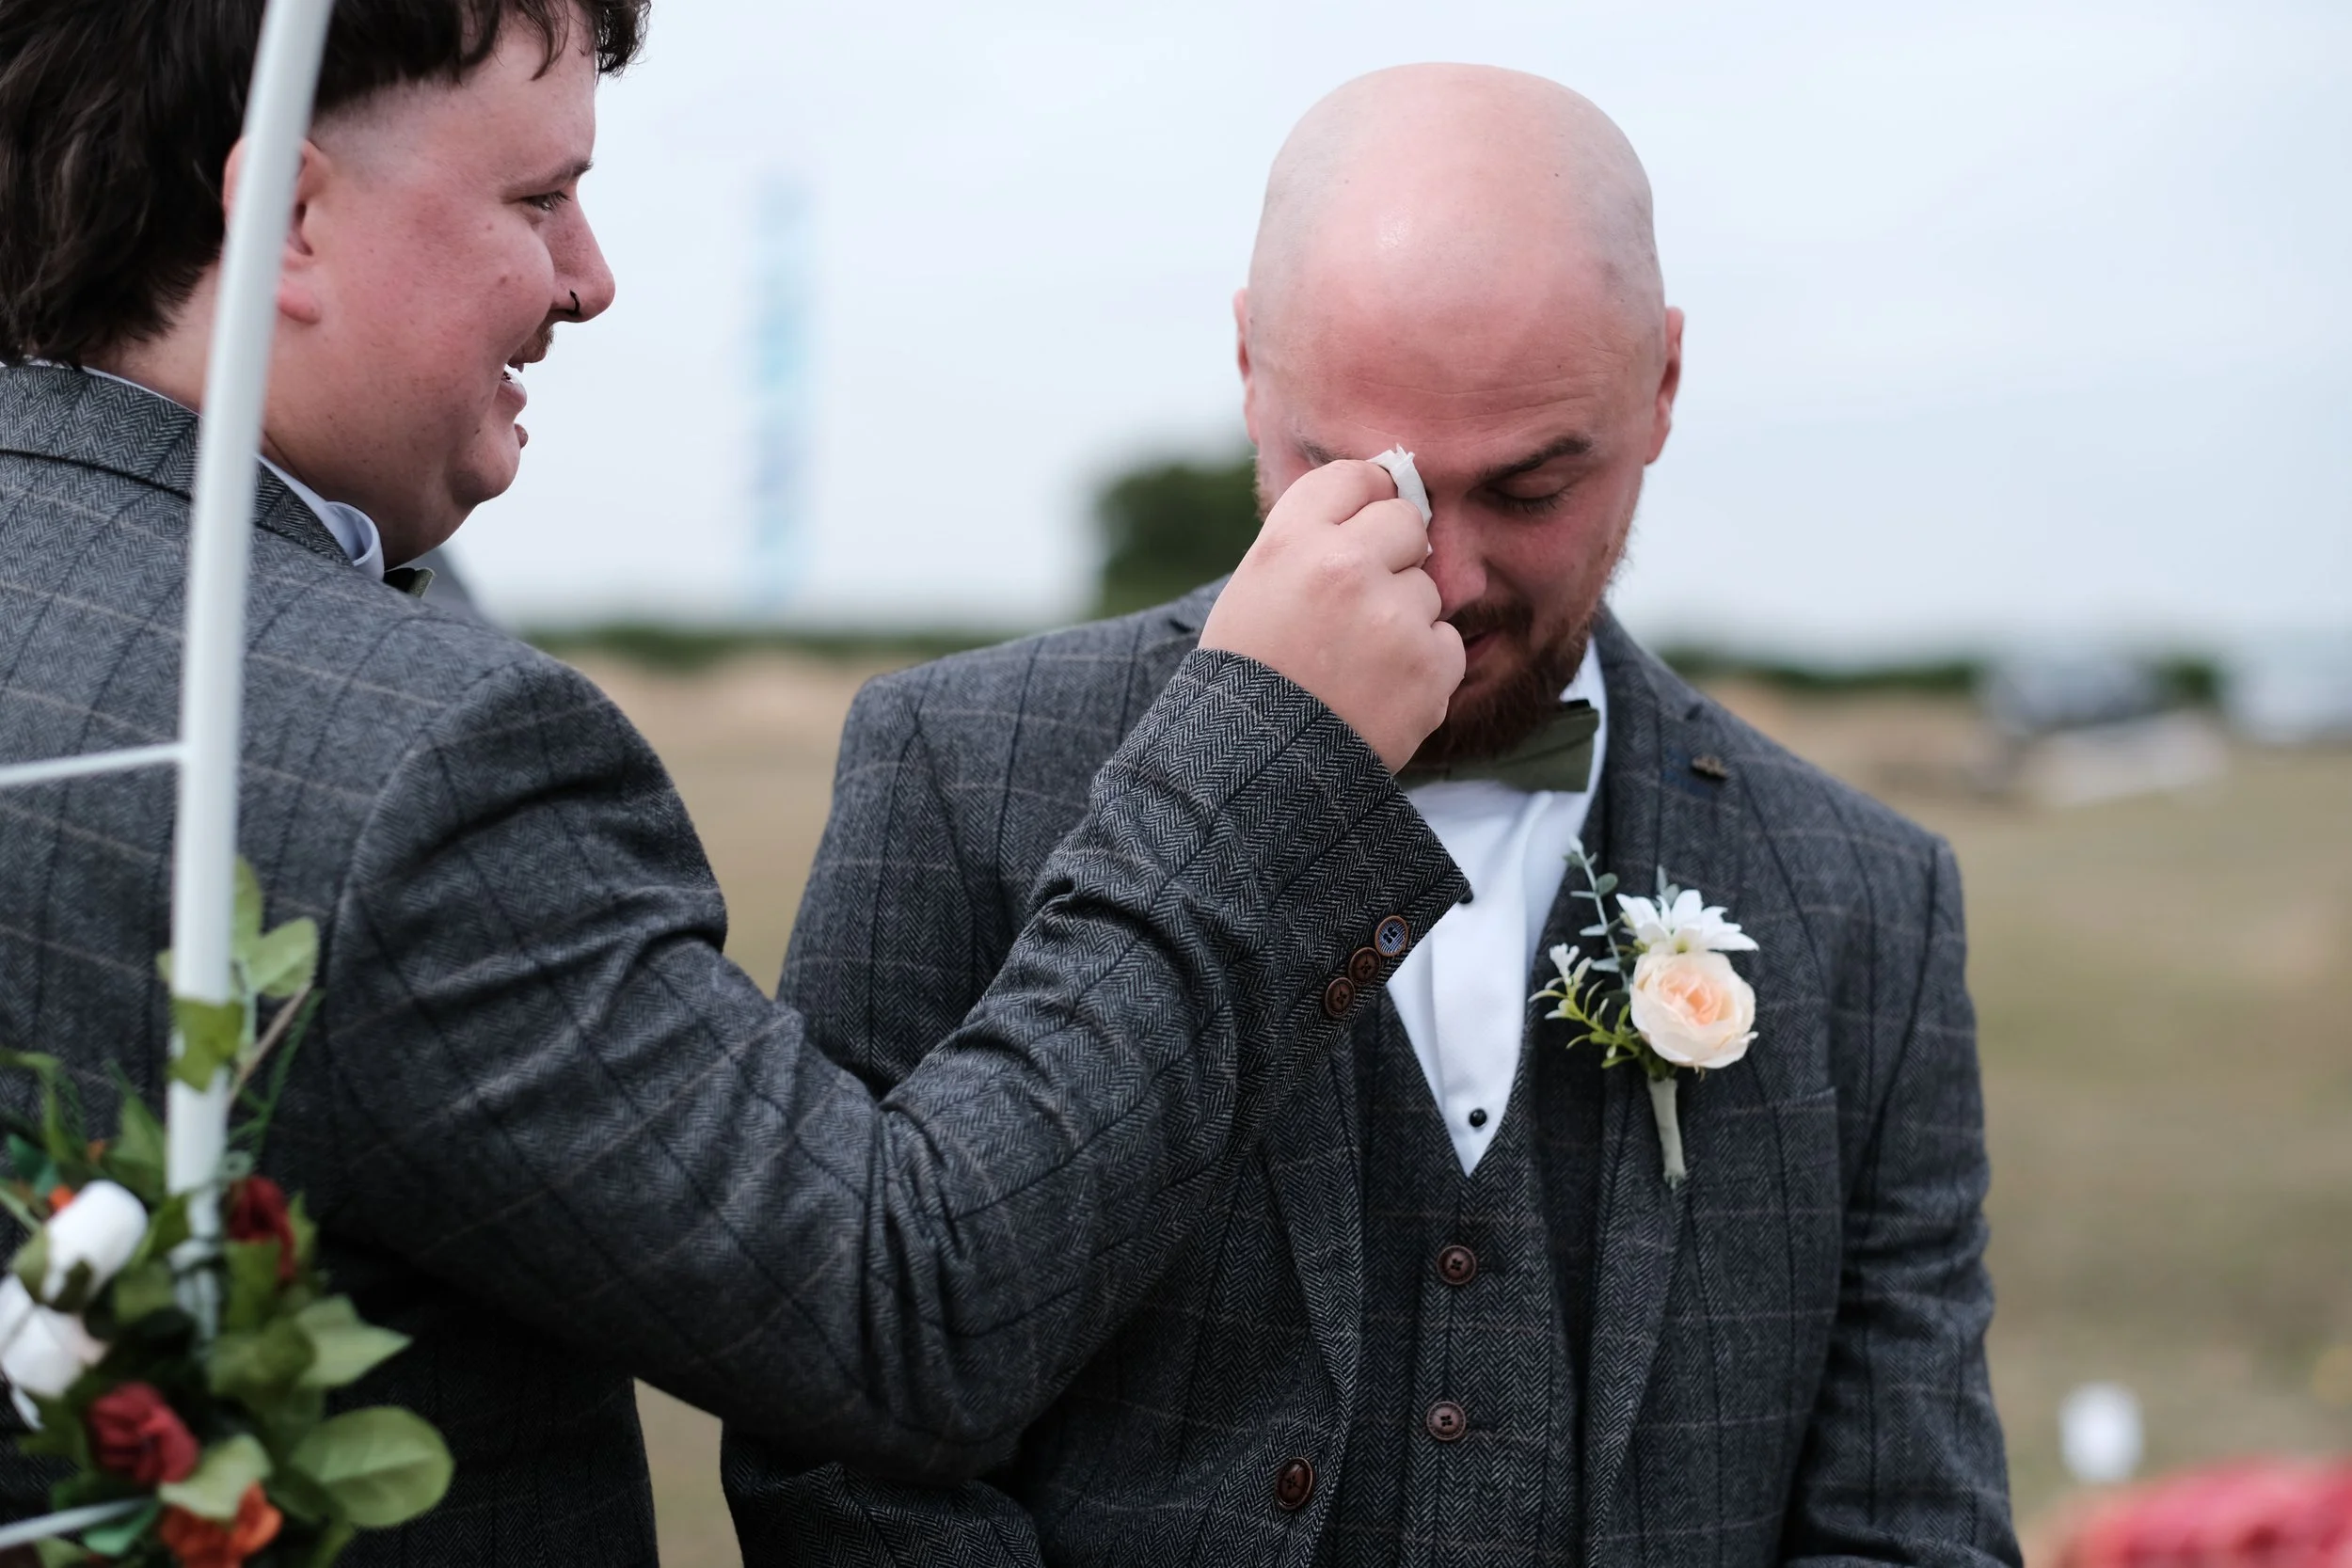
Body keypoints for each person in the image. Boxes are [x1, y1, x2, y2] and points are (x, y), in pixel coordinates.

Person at [0, 4, 1470, 1560]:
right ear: (288, 217)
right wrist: (1266, 747)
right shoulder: (422, 760)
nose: (589, 276)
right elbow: (900, 1311)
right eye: (534, 198)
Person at [723, 65, 2020, 1568]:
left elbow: (1909, 1521)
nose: (1446, 578)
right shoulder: (954, 770)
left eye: (1532, 484)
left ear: (1661, 387)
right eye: (1363, 477)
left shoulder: (1870, 898)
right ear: (1247, 371)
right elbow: (835, 1454)